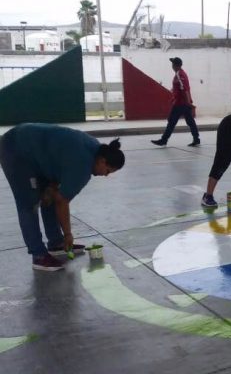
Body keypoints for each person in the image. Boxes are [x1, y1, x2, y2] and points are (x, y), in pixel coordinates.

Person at [0, 123, 125, 271]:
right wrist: (68, 234)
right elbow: (62, 201)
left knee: (49, 196)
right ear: (102, 161)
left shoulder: (96, 149)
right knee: (29, 204)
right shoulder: (83, 165)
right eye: (108, 171)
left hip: (37, 153)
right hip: (16, 149)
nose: (105, 175)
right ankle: (38, 256)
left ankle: (55, 242)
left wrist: (51, 187)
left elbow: (61, 167)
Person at [151, 57, 200, 147]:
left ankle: (164, 140)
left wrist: (188, 103)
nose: (172, 65)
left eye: (173, 64)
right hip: (183, 103)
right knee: (190, 121)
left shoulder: (180, 74)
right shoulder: (180, 73)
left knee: (171, 121)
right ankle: (196, 139)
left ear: (176, 65)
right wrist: (174, 91)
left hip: (180, 103)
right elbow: (181, 87)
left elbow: (184, 89)